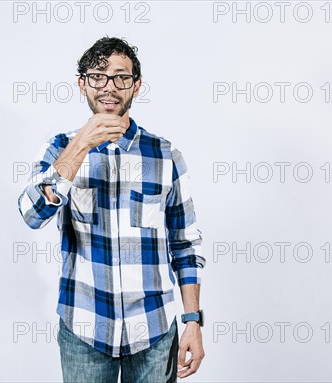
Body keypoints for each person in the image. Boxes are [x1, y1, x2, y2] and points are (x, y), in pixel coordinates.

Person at [18, 36, 206, 382]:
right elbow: (32, 214)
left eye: (121, 77)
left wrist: (192, 320)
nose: (109, 86)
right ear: (82, 84)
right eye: (98, 76)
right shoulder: (61, 148)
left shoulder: (166, 156)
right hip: (84, 331)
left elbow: (185, 245)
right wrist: (82, 144)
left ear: (136, 86)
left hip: (153, 332)